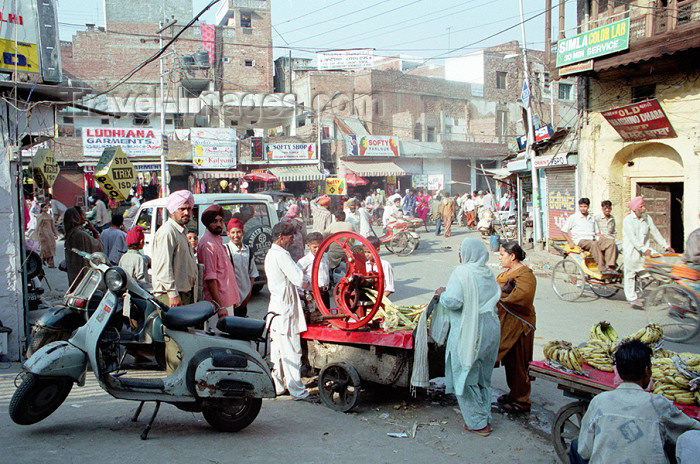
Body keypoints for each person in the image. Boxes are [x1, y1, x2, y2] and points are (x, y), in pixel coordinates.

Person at [570, 340, 700, 464]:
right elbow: (692, 429)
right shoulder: (658, 404)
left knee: (575, 446)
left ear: (618, 371)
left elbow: (584, 451)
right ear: (647, 371)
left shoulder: (599, 401)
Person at [435, 238, 500, 437]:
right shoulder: (488, 272)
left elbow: (454, 301)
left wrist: (441, 294)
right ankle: (484, 415)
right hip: (491, 327)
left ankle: (478, 422)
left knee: (465, 372)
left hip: (470, 328)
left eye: (461, 251)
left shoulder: (462, 271)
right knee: (482, 375)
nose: (460, 255)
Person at [265, 222, 316, 402]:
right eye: (290, 236)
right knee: (291, 350)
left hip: (277, 307)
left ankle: (278, 385)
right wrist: (314, 282)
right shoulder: (281, 255)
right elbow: (299, 279)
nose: (293, 240)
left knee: (278, 350)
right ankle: (297, 390)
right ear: (281, 237)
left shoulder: (272, 254)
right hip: (285, 308)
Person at [495, 242, 536, 414]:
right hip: (507, 324)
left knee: (519, 363)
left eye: (502, 254)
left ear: (512, 256)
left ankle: (522, 400)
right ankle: (513, 394)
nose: (499, 257)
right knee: (510, 363)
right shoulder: (507, 273)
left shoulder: (525, 275)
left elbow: (522, 298)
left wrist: (501, 296)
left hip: (520, 325)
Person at [622, 196, 674, 306]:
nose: (644, 208)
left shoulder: (647, 218)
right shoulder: (628, 220)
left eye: (643, 206)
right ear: (635, 209)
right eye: (641, 206)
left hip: (645, 250)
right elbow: (633, 239)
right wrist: (644, 249)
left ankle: (658, 295)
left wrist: (666, 245)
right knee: (630, 273)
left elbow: (655, 233)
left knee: (660, 266)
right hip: (632, 250)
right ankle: (631, 298)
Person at [151, 190, 199, 308]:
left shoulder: (181, 231)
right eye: (181, 209)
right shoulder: (168, 232)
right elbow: (163, 266)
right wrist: (172, 294)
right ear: (172, 210)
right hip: (170, 295)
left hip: (183, 292)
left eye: (188, 209)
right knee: (173, 327)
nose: (186, 212)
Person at [197, 205, 240, 330]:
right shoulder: (208, 244)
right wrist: (220, 306)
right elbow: (210, 278)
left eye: (220, 221)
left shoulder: (217, 240)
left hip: (226, 302)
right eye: (214, 221)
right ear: (207, 224)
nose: (219, 224)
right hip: (218, 306)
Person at [561, 198, 618, 275]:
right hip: (581, 240)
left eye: (585, 206)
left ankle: (609, 267)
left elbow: (597, 232)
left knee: (611, 242)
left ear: (588, 207)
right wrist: (570, 242)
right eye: (581, 206)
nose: (583, 208)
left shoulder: (592, 218)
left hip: (593, 238)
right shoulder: (574, 217)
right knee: (593, 244)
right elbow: (564, 231)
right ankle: (602, 268)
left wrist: (605, 239)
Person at [225, 218, 259, 318]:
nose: (236, 236)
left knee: (242, 324)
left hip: (244, 296)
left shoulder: (248, 250)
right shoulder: (226, 250)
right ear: (228, 234)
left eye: (238, 232)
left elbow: (252, 273)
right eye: (233, 232)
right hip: (230, 297)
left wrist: (249, 293)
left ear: (243, 232)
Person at [63, 206, 103, 286]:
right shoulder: (81, 234)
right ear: (77, 217)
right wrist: (94, 232)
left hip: (74, 273)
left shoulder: (71, 233)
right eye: (83, 214)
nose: (85, 216)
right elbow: (99, 248)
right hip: (84, 274)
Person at [296, 232, 331, 309]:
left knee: (327, 315)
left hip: (325, 292)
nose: (317, 249)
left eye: (320, 246)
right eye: (314, 247)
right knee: (315, 317)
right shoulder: (304, 261)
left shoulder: (325, 256)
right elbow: (297, 278)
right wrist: (304, 293)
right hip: (313, 294)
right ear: (308, 246)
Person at [37, 202, 58, 268]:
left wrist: (55, 233)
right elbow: (38, 226)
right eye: (45, 208)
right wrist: (38, 234)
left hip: (50, 234)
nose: (46, 209)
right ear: (42, 208)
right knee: (45, 248)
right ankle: (42, 260)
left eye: (47, 207)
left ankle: (51, 263)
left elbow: (52, 226)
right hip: (43, 234)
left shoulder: (49, 216)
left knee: (51, 247)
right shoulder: (40, 216)